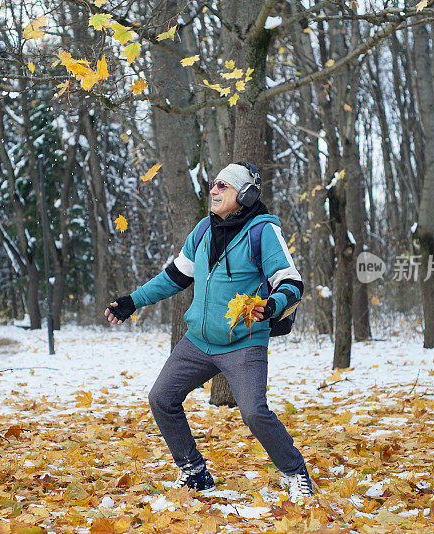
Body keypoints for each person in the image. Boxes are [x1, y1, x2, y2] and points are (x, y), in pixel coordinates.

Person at [104, 161, 313, 500]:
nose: (213, 191)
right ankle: (194, 471)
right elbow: (174, 277)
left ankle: (294, 471)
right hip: (198, 342)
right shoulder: (203, 230)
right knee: (161, 398)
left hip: (242, 342)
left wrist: (272, 305)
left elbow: (291, 282)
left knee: (253, 412)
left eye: (222, 186)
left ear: (244, 195)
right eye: (213, 184)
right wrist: (133, 301)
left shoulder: (263, 231)